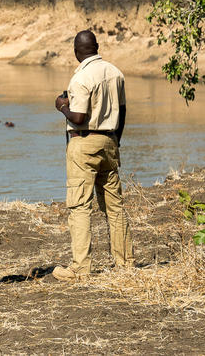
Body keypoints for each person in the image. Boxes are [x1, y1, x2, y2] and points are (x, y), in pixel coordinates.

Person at [52, 30, 134, 281]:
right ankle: (125, 262)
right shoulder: (115, 72)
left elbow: (79, 117)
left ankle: (80, 268)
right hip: (109, 140)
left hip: (83, 143)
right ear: (97, 46)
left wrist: (61, 105)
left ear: (76, 52)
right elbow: (122, 110)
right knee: (114, 205)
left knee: (79, 206)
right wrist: (115, 140)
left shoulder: (80, 79)